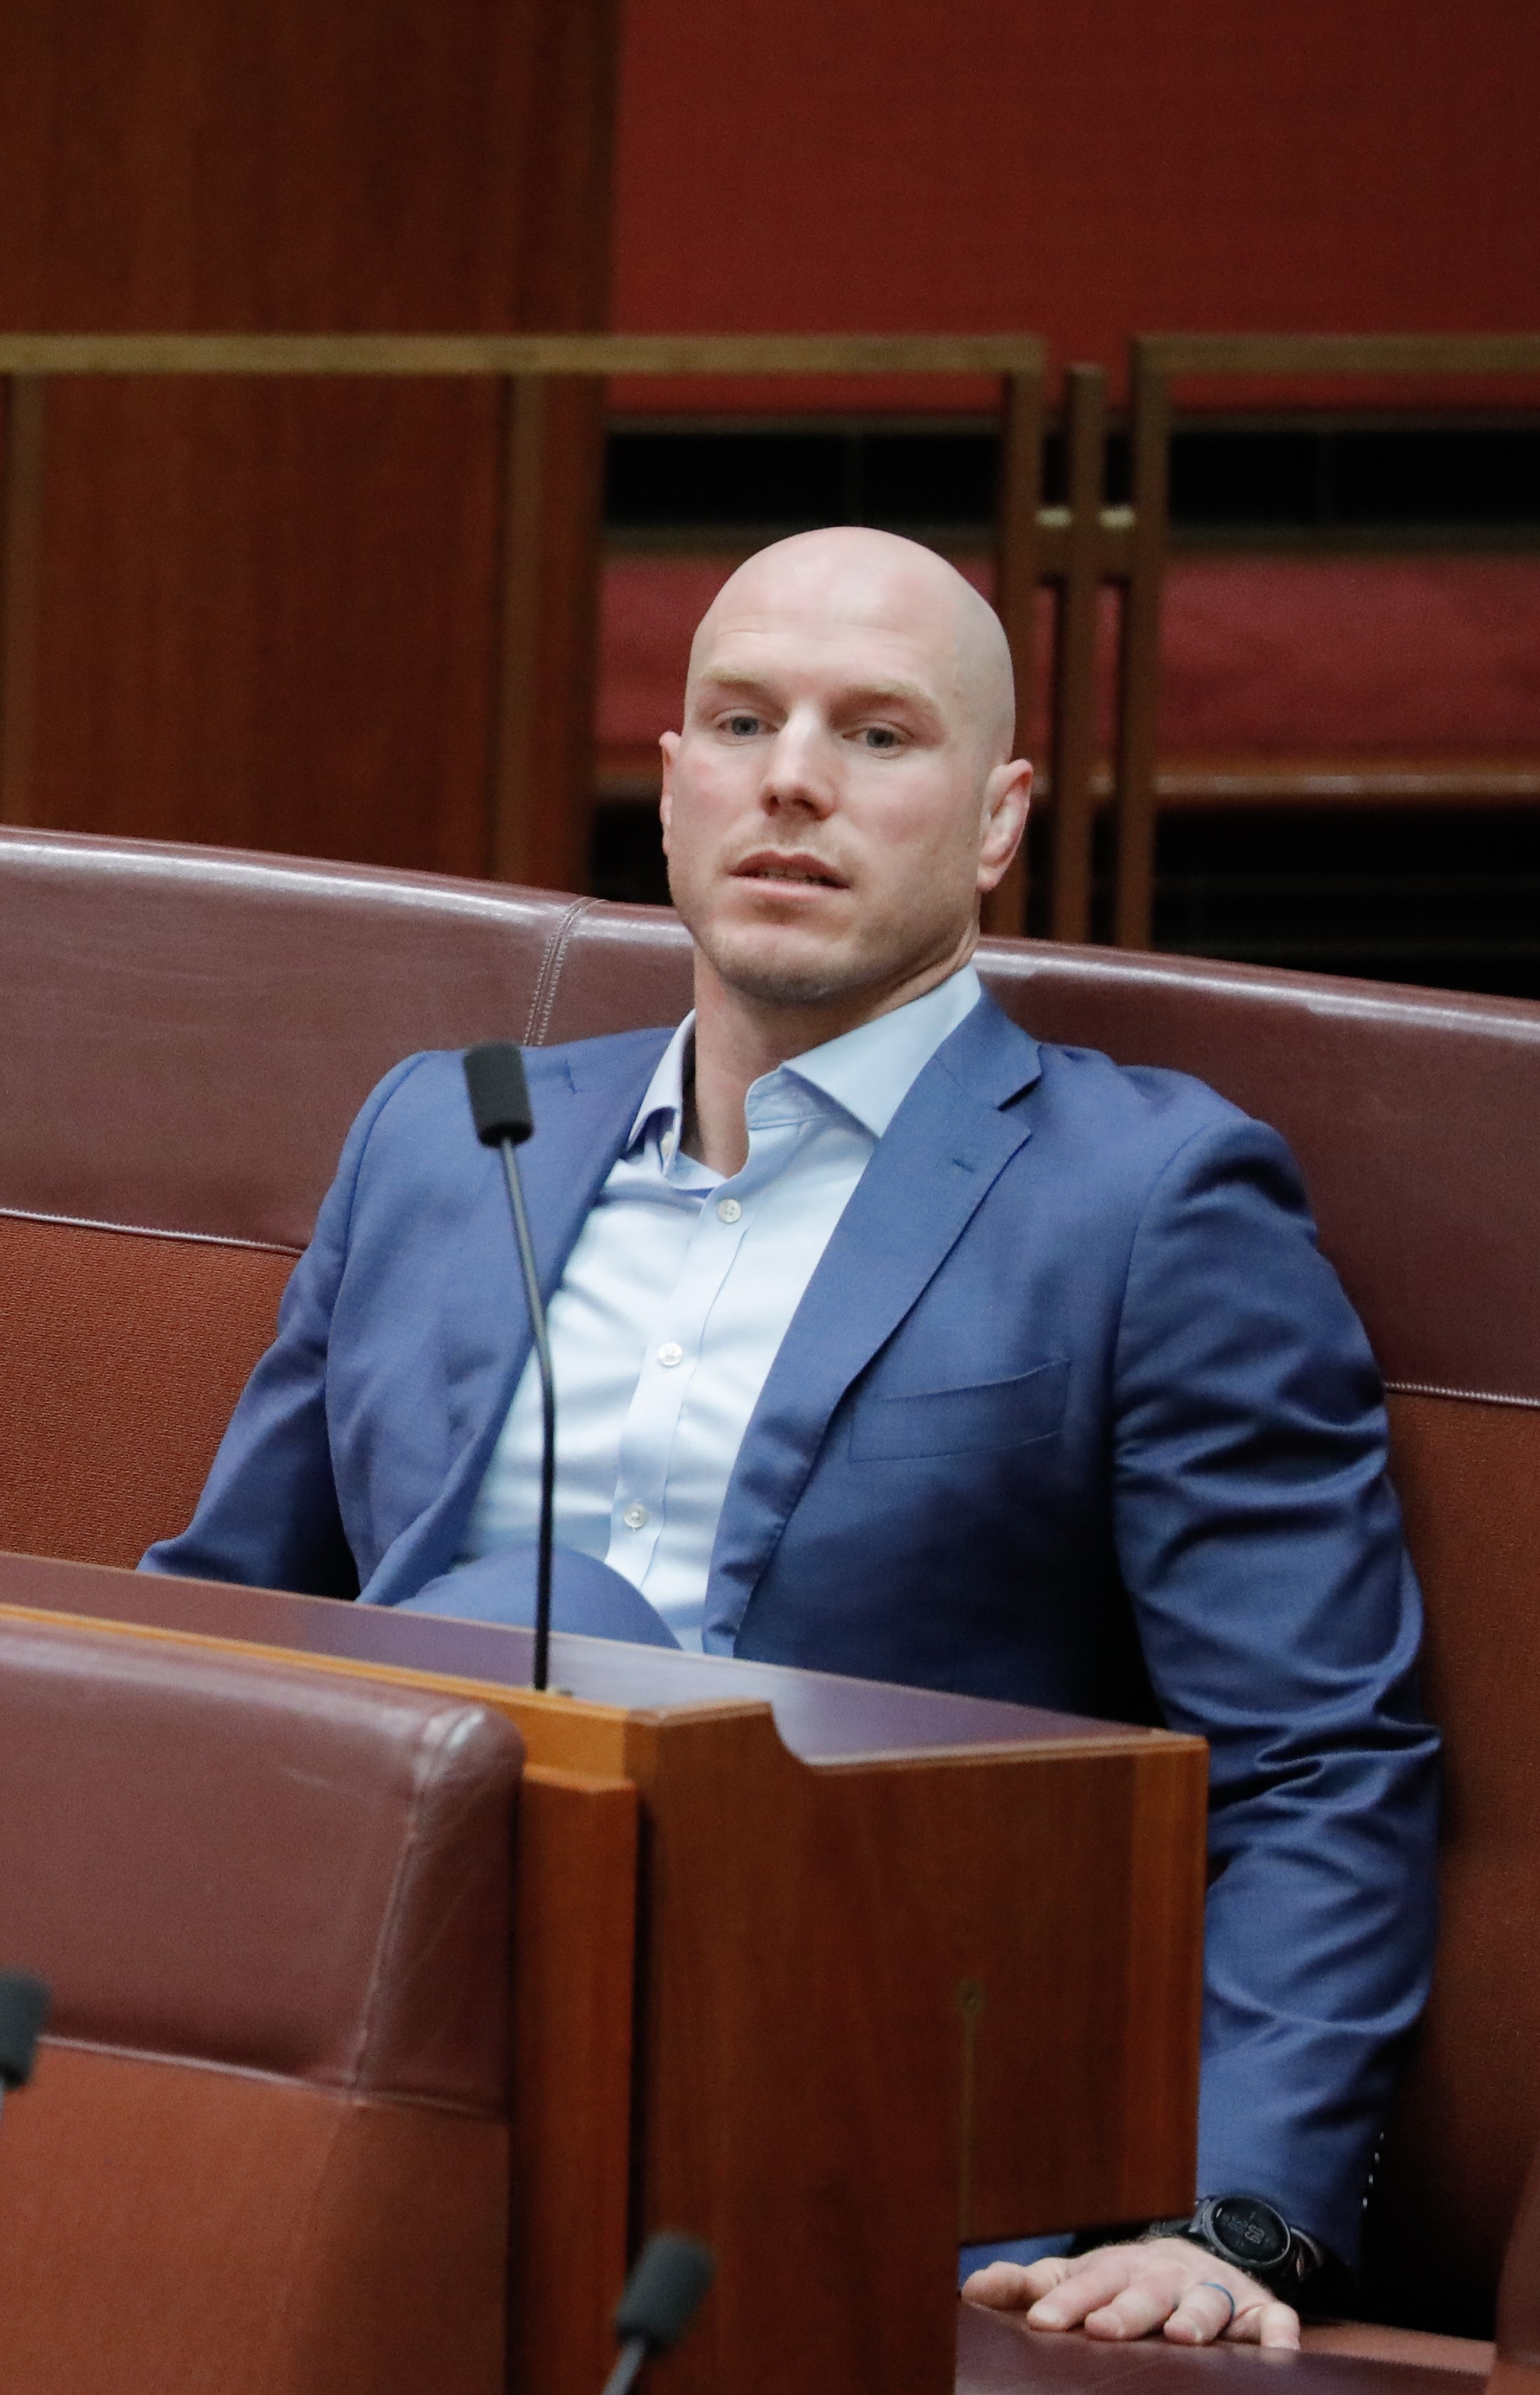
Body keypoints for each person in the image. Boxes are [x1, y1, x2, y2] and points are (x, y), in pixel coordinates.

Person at [143, 527, 1435, 2349]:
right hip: (371, 2061)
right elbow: (218, 1624)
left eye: (876, 735)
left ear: (995, 820)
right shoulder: (448, 1138)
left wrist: (1234, 2219)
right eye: (742, 724)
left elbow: (1315, 1763)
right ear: (674, 787)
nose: (793, 781)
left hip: (841, 2120)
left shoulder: (1147, 1200)